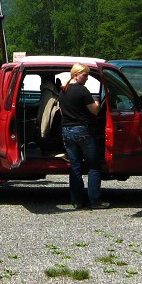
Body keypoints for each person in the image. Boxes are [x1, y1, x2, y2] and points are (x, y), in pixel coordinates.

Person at [58, 63, 108, 210]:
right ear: (76, 75)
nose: (87, 78)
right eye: (85, 75)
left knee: (75, 167)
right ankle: (94, 200)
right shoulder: (82, 91)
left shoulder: (63, 91)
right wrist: (97, 102)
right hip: (82, 131)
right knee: (94, 165)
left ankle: (77, 201)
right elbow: (94, 110)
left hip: (66, 130)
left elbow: (61, 112)